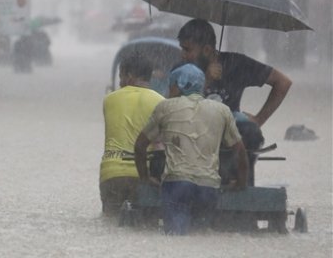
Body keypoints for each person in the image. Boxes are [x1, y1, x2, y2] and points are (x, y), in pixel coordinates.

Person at [134, 63, 248, 235]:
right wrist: (241, 182)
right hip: (208, 188)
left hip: (176, 186)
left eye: (171, 85)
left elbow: (140, 145)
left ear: (179, 85)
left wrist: (144, 177)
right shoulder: (222, 110)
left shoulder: (165, 107)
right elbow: (240, 151)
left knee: (177, 238)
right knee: (200, 236)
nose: (169, 89)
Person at [177, 19, 292, 128]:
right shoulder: (182, 69)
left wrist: (259, 120)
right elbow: (177, 110)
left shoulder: (236, 64)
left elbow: (283, 82)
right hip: (193, 133)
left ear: (206, 50)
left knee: (247, 129)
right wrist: (206, 80)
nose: (183, 54)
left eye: (187, 50)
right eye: (182, 48)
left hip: (230, 136)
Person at [98, 54, 164, 216]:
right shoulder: (162, 102)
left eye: (121, 77)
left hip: (111, 173)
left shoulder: (109, 100)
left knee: (110, 226)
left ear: (129, 76)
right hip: (144, 175)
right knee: (144, 229)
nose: (120, 82)